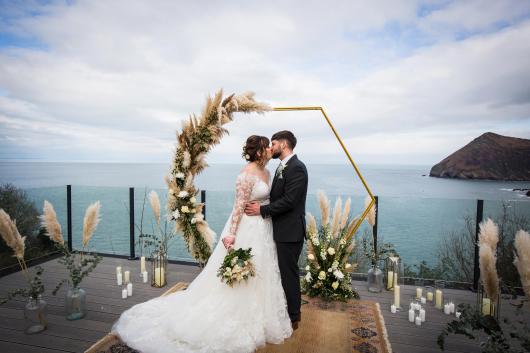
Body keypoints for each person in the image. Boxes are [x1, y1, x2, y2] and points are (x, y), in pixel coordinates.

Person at [112, 135, 292, 353]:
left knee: (264, 271)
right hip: (248, 227)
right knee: (245, 271)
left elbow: (269, 199)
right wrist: (232, 234)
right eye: (267, 147)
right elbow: (238, 206)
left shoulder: (267, 172)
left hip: (264, 226)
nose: (270, 150)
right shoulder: (246, 174)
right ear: (260, 151)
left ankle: (264, 317)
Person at [244, 130, 308, 330]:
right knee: (282, 273)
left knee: (289, 274)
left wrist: (261, 210)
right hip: (280, 230)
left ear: (284, 144)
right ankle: (285, 312)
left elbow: (289, 201)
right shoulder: (282, 167)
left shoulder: (297, 168)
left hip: (290, 232)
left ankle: (294, 317)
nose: (271, 148)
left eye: (273, 144)